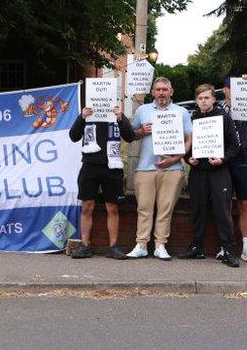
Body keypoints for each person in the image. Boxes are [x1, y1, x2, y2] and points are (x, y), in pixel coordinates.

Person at [127, 77, 192, 260]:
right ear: (153, 92)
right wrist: (142, 131)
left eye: (165, 89)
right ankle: (141, 245)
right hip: (145, 168)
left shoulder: (182, 112)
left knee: (165, 209)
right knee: (144, 208)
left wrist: (174, 158)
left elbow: (189, 140)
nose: (161, 93)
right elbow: (130, 134)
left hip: (172, 169)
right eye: (158, 89)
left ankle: (160, 245)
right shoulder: (142, 110)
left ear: (171, 92)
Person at [177, 84, 240, 267]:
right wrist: (189, 159)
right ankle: (197, 247)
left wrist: (223, 159)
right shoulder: (192, 118)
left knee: (222, 210)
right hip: (198, 170)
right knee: (197, 209)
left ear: (214, 99)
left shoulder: (224, 117)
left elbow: (234, 146)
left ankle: (228, 250)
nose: (203, 101)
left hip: (219, 170)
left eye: (206, 98)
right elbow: (185, 144)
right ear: (196, 101)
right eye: (200, 98)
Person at [68, 103, 135, 259]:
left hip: (112, 165)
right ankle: (84, 245)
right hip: (90, 165)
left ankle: (113, 246)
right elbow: (73, 136)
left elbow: (130, 137)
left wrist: (121, 118)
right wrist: (82, 117)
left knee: (112, 207)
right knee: (87, 206)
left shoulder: (116, 114)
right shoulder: (88, 114)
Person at [220, 75, 247, 262]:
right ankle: (225, 245)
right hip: (224, 160)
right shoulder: (217, 108)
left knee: (244, 202)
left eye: (238, 88)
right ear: (225, 90)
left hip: (243, 159)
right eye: (232, 87)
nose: (235, 91)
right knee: (223, 203)